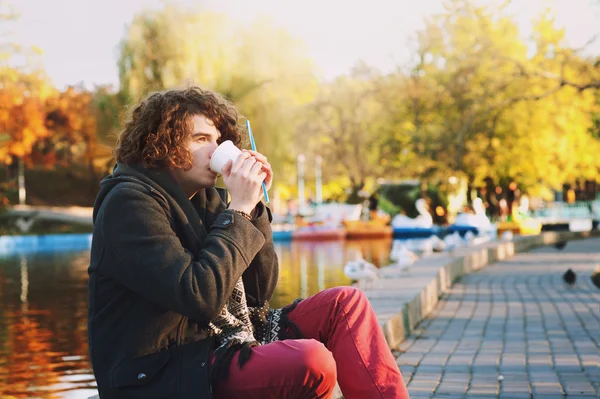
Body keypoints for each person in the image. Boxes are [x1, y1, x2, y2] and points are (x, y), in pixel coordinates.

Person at [88, 85, 409, 399]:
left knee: (345, 304)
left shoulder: (208, 200)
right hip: (159, 373)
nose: (216, 149)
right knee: (311, 361)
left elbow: (257, 294)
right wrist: (238, 211)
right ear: (163, 144)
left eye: (218, 140)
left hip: (211, 345)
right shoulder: (128, 203)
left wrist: (254, 209)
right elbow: (199, 295)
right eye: (201, 139)